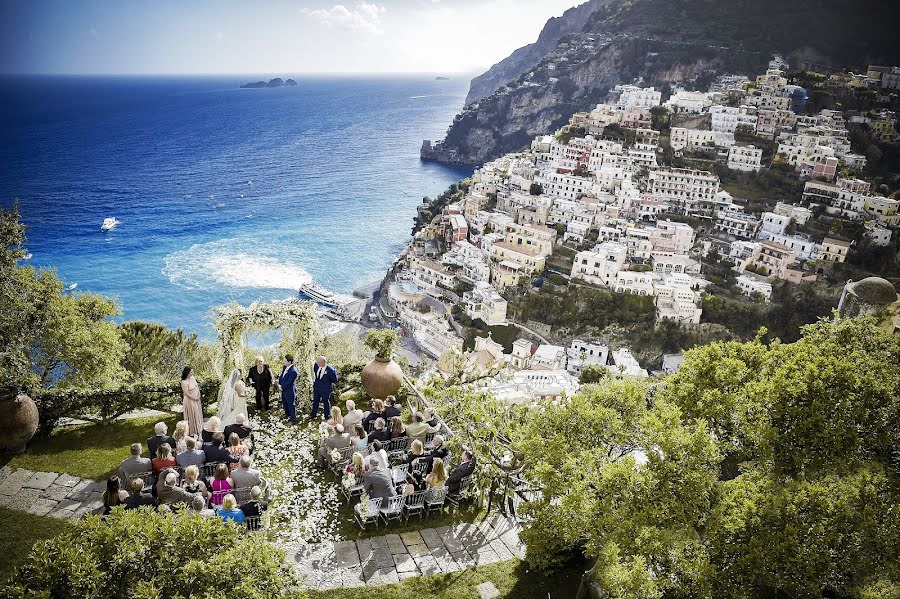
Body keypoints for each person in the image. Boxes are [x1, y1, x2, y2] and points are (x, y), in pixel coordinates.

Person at [310, 356, 338, 422]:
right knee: (315, 401)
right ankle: (313, 414)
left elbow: (335, 380)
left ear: (323, 363)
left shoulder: (331, 370)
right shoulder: (316, 366)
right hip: (317, 388)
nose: (316, 363)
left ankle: (327, 416)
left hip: (325, 389)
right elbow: (315, 373)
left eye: (318, 362)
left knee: (326, 402)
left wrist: (326, 383)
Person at [181, 367, 203, 437]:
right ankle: (193, 431)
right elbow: (187, 393)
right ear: (187, 373)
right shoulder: (184, 382)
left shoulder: (193, 378)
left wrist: (198, 396)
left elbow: (197, 387)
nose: (192, 373)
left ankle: (199, 428)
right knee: (192, 414)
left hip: (196, 399)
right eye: (191, 372)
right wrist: (194, 398)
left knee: (197, 413)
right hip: (190, 400)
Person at [278, 354, 298, 424]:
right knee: (285, 403)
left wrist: (282, 387)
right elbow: (281, 376)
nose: (283, 362)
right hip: (283, 389)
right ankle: (287, 414)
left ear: (289, 362)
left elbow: (289, 382)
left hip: (289, 390)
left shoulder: (293, 371)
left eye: (285, 361)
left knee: (291, 404)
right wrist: (279, 383)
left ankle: (293, 419)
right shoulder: (285, 367)